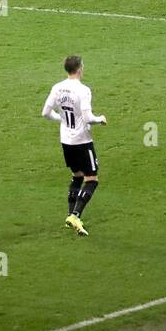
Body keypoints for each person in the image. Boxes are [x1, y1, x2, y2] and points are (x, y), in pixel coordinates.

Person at [43, 55, 107, 236]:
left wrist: (61, 119)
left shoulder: (57, 88)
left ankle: (70, 217)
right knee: (92, 179)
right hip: (82, 140)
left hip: (66, 141)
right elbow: (88, 118)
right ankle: (75, 215)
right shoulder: (83, 90)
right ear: (79, 69)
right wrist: (100, 119)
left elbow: (45, 113)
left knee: (77, 176)